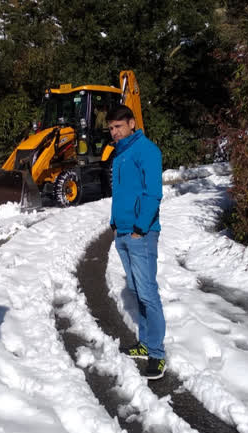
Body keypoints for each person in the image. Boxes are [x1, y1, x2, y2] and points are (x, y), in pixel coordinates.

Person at [107, 105, 166, 380]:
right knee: (135, 289)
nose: (114, 132)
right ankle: (144, 342)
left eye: (118, 127)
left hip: (141, 234)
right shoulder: (119, 155)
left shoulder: (147, 151)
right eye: (111, 128)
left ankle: (156, 353)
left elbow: (153, 193)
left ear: (132, 123)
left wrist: (140, 229)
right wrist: (114, 223)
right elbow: (121, 193)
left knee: (147, 292)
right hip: (123, 233)